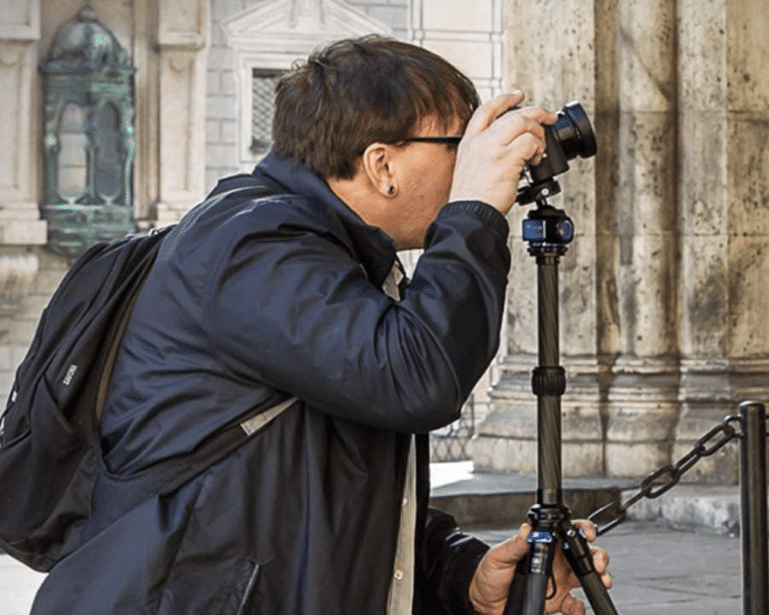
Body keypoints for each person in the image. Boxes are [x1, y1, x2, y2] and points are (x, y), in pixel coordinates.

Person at [28, 35, 611, 615]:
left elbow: (331, 485)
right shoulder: (250, 246)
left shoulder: (328, 256)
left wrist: (463, 576)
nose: (475, 164)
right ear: (382, 164)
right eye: (460, 146)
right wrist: (475, 207)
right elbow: (417, 378)